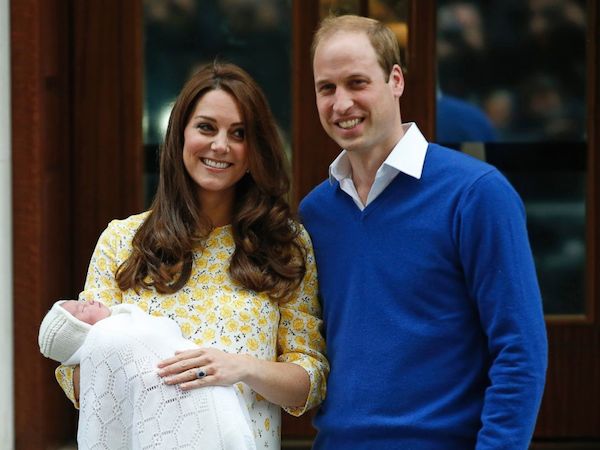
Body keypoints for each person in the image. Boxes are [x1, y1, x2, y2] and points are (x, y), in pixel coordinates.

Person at [299, 15, 547, 449]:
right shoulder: (316, 212)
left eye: (357, 83)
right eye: (327, 88)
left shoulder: (476, 194)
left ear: (396, 80)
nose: (341, 104)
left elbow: (520, 352)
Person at [53, 62, 328, 449]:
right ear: (180, 134)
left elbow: (309, 381)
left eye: (239, 133)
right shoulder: (122, 240)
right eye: (206, 127)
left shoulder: (284, 244)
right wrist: (139, 359)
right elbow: (78, 378)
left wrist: (241, 368)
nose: (220, 145)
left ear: (255, 150)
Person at [39, 299, 256, 450]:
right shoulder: (109, 335)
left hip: (213, 391)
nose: (86, 302)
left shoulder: (127, 322)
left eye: (79, 303)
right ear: (79, 333)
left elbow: (164, 331)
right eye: (78, 312)